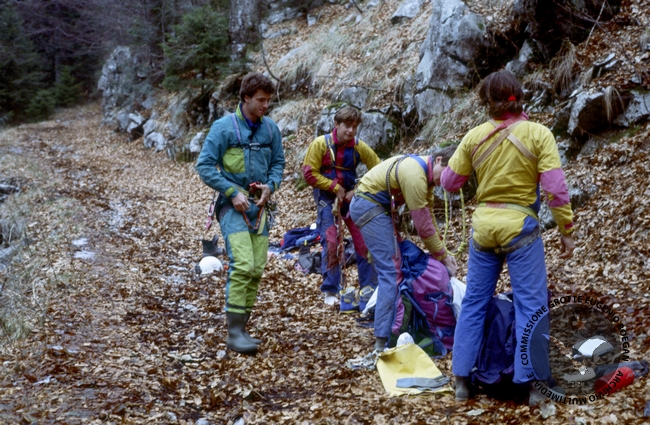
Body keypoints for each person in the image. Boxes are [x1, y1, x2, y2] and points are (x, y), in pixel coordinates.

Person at [441, 70, 575, 405]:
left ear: (488, 102)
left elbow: (449, 183)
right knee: (531, 305)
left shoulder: (474, 137)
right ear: (519, 97)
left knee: (474, 303)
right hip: (521, 229)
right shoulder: (538, 134)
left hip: (484, 230)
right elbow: (556, 190)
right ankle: (534, 385)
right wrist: (566, 231)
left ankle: (462, 380)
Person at [196, 72, 285, 355]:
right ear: (245, 98)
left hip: (260, 208)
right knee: (243, 264)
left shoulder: (270, 129)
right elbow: (205, 166)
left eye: (268, 100)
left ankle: (242, 329)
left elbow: (278, 163)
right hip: (231, 207)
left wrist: (270, 186)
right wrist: (232, 192)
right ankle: (234, 334)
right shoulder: (223, 128)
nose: (266, 105)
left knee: (256, 269)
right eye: (261, 100)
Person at [349, 147, 459, 352]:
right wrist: (443, 257)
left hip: (376, 207)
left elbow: (429, 218)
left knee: (397, 265)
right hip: (368, 205)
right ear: (438, 160)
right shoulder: (415, 175)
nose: (448, 180)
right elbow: (423, 227)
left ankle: (399, 325)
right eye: (448, 172)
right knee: (391, 271)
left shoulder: (425, 177)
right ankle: (382, 340)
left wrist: (443, 251)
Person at [302, 106, 380, 310]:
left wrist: (358, 190)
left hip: (351, 198)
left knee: (363, 241)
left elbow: (378, 169)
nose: (351, 131)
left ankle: (369, 289)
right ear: (336, 124)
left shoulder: (359, 147)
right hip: (326, 199)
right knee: (331, 240)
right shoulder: (320, 144)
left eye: (354, 126)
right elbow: (309, 174)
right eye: (347, 126)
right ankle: (330, 289)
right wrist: (334, 187)